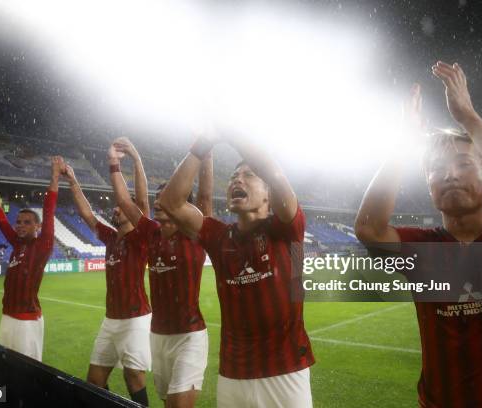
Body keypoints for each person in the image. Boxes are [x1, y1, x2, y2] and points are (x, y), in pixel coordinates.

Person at [354, 62, 482, 406]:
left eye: (464, 164)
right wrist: (402, 143)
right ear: (428, 186)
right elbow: (368, 227)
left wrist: (468, 117)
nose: (450, 175)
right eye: (437, 169)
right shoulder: (423, 248)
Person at [157, 134, 315, 407]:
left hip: (287, 371)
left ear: (268, 194)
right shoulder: (219, 237)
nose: (237, 180)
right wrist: (200, 145)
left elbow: (275, 176)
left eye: (249, 175)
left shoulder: (287, 229)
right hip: (233, 376)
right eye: (233, 176)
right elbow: (171, 203)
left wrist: (233, 131)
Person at [109, 137, 213, 408]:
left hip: (190, 335)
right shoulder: (150, 234)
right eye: (158, 199)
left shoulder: (195, 234)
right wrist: (115, 164)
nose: (158, 203)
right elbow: (124, 198)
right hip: (158, 336)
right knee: (168, 403)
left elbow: (204, 197)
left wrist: (207, 150)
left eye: (164, 199)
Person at [64, 139, 151, 407]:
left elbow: (143, 201)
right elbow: (87, 214)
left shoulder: (141, 238)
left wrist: (136, 160)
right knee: (95, 379)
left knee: (134, 376)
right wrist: (73, 179)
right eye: (115, 206)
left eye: (120, 206)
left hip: (136, 318)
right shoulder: (111, 238)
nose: (115, 208)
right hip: (111, 319)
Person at [0, 156, 63, 361]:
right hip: (7, 317)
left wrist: (54, 176)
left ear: (38, 227)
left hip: (27, 321)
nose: (19, 225)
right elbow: (0, 219)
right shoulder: (17, 244)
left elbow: (49, 209)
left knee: (26, 375)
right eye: (18, 222)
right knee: (5, 371)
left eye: (26, 222)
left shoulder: (42, 245)